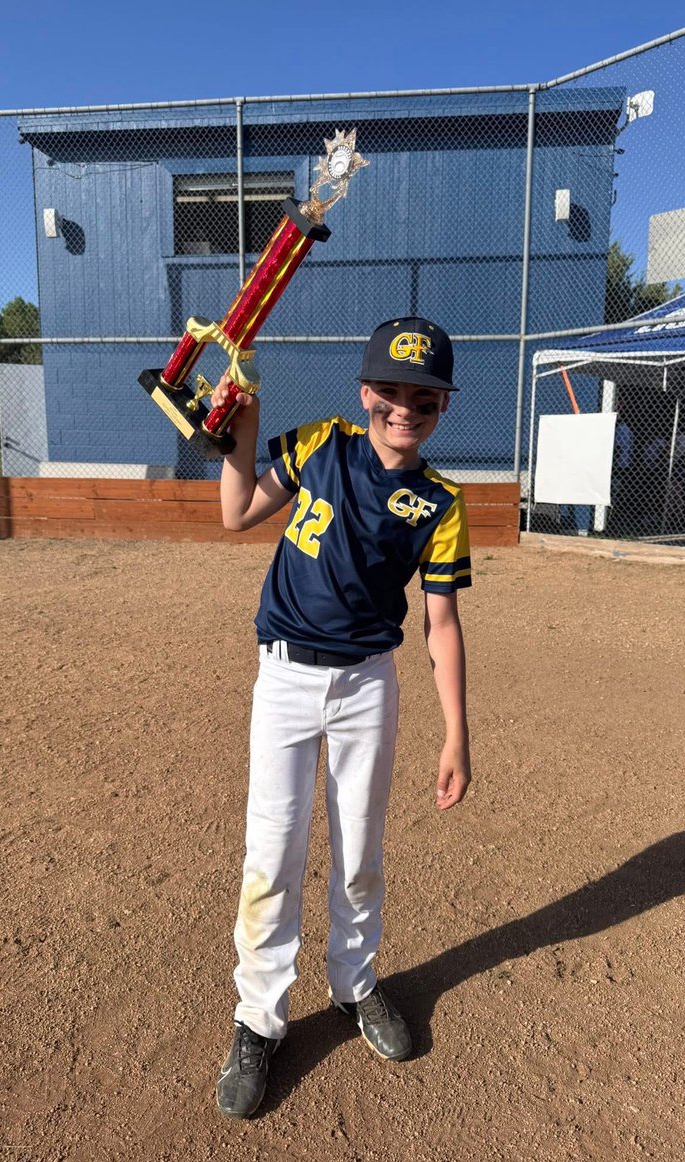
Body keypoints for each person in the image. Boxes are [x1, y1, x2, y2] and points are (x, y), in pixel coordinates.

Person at [211, 316, 472, 1119]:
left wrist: (458, 731)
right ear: (365, 393)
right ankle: (259, 1017)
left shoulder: (439, 502)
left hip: (367, 686)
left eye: (421, 397)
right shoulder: (324, 444)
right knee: (274, 849)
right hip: (285, 678)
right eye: (389, 392)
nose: (404, 408)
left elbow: (440, 622)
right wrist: (240, 434)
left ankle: (355, 987)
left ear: (441, 406)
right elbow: (236, 513)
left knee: (360, 850)